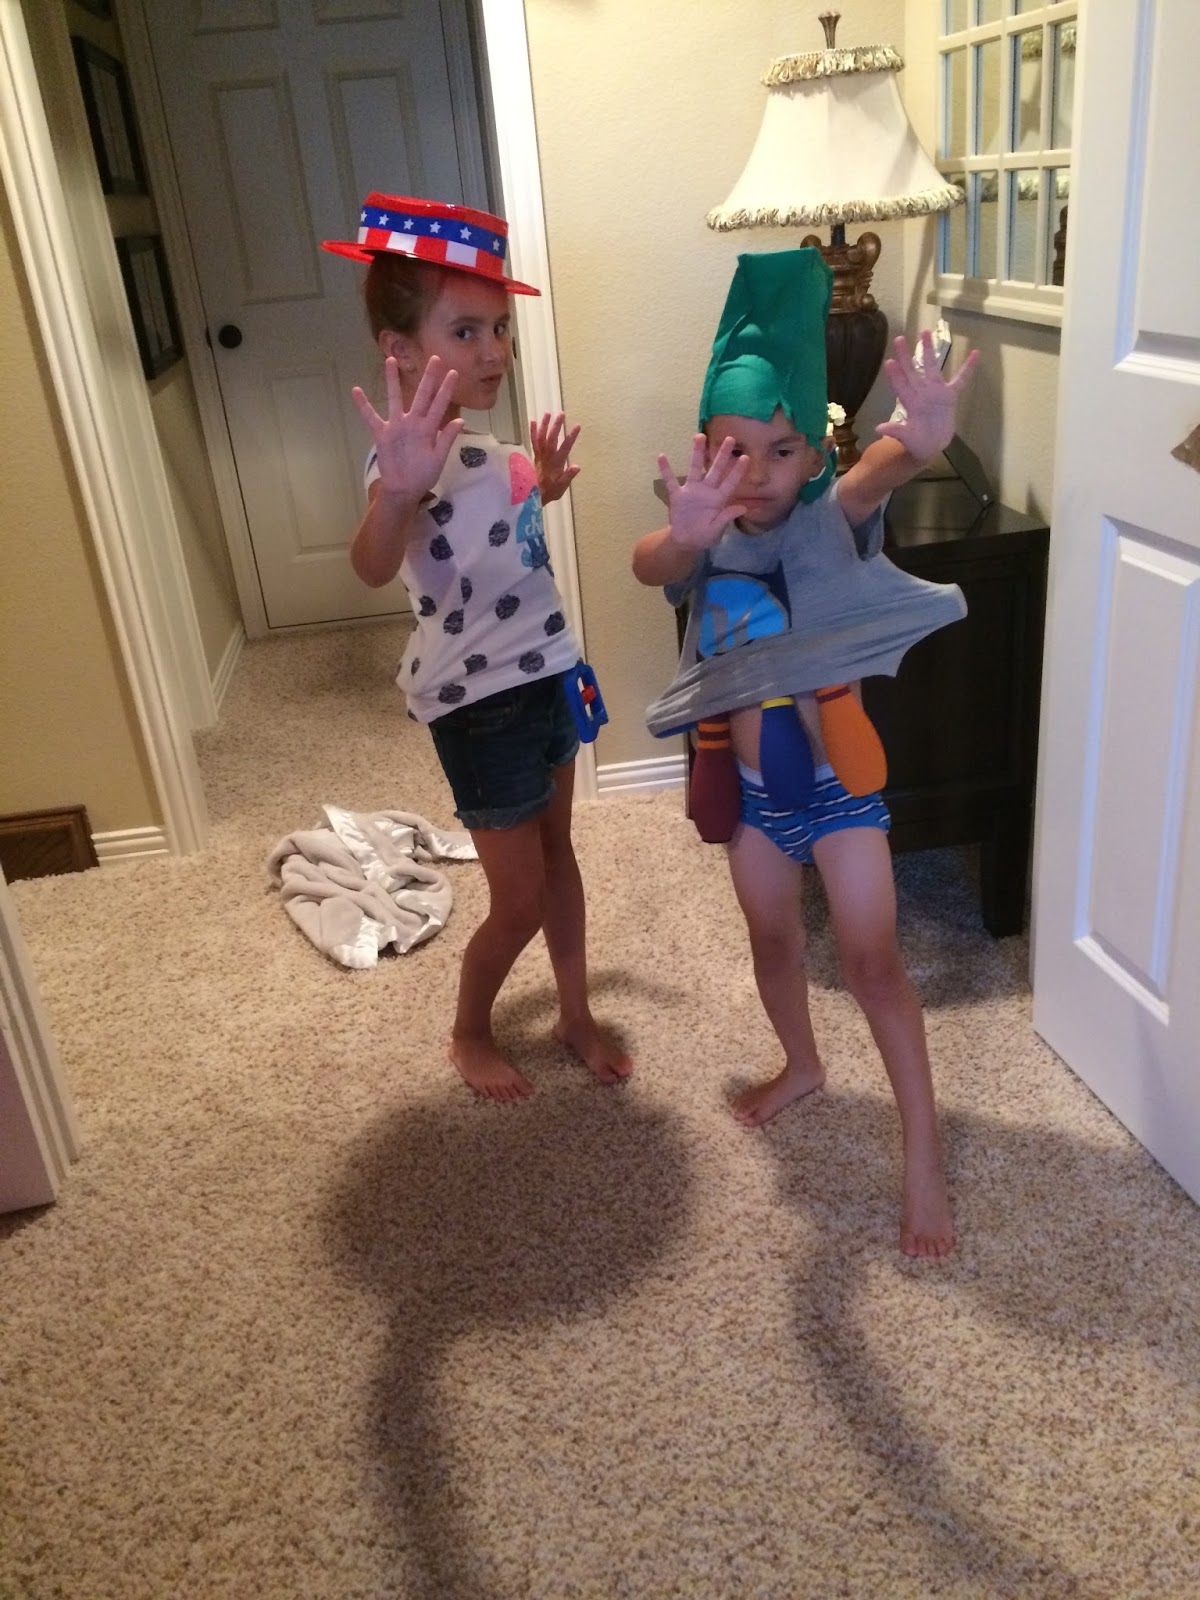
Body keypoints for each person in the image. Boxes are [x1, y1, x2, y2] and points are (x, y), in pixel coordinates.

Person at [632, 249, 978, 1257]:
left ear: (815, 452)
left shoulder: (834, 516)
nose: (757, 473)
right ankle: (803, 1064)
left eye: (782, 450)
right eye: (734, 450)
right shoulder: (703, 529)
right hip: (750, 795)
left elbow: (884, 470)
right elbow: (651, 564)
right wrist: (682, 535)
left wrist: (922, 437)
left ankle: (922, 1154)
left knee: (874, 962)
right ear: (706, 451)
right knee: (773, 942)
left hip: (839, 793)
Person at [323, 192, 630, 1100]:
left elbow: (502, 535)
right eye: (466, 331)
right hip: (479, 706)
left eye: (500, 328)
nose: (495, 350)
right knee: (519, 900)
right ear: (400, 350)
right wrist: (395, 494)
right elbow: (373, 566)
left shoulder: (490, 451)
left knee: (560, 858)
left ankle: (573, 1014)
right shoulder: (406, 460)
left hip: (550, 675)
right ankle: (467, 1031)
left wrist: (549, 485)